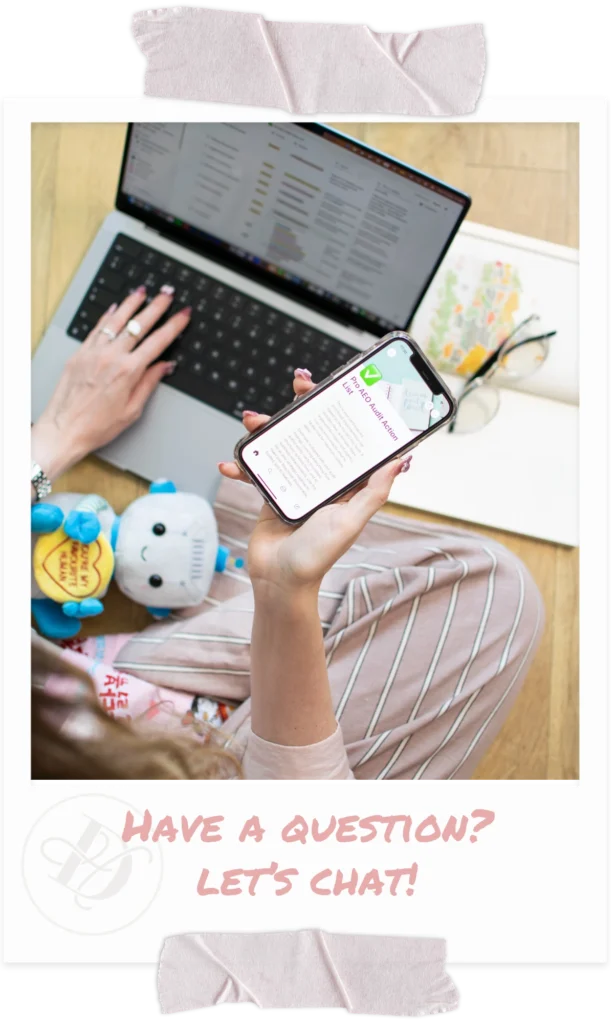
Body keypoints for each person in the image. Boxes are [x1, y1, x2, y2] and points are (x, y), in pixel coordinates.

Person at [31, 285, 544, 783]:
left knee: (305, 519)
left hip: (112, 691)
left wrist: (59, 434)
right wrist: (286, 595)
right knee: (498, 590)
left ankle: (257, 554)